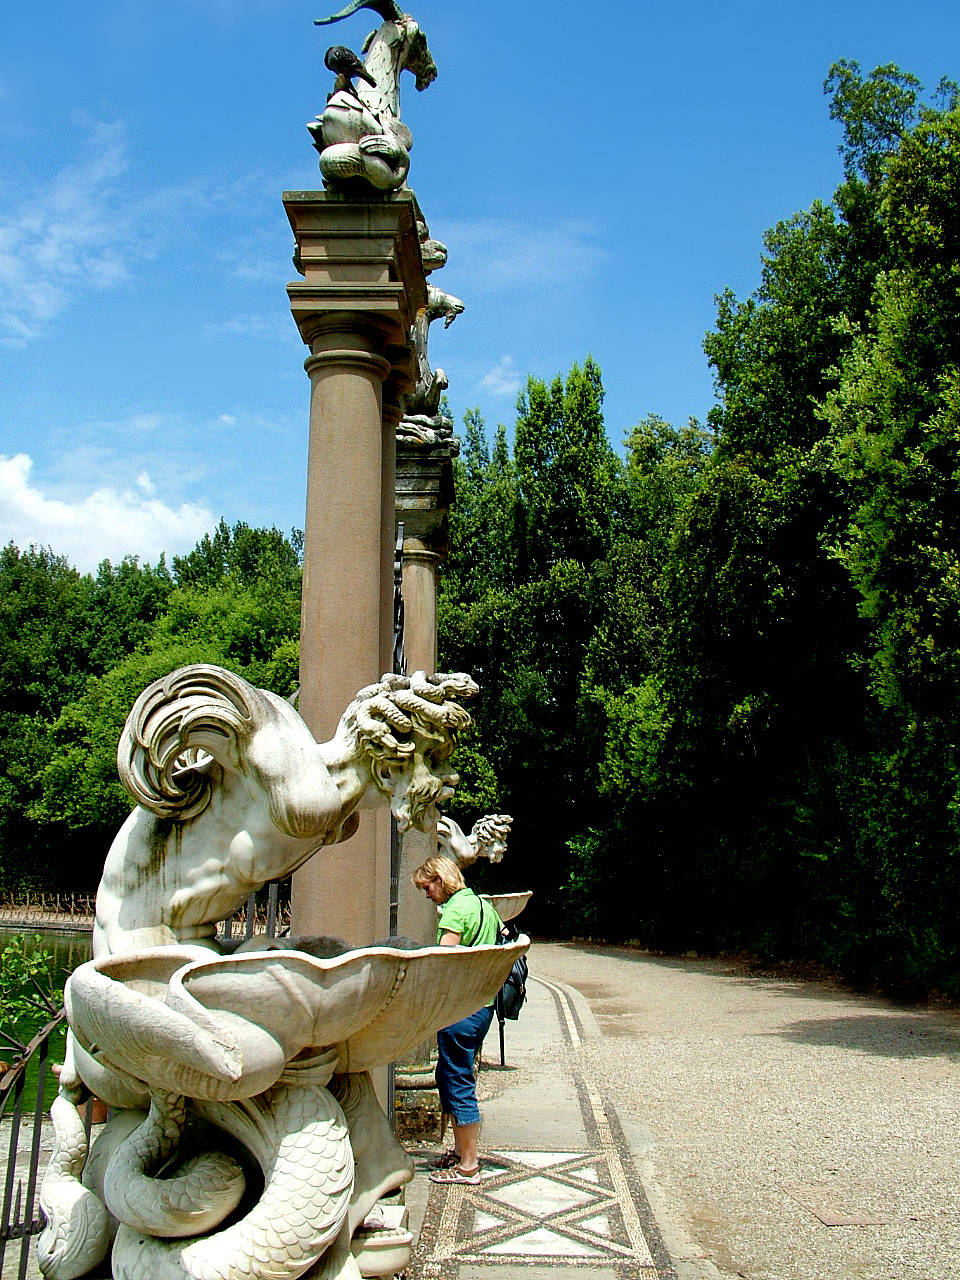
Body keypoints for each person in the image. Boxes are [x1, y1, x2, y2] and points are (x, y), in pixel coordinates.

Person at [413, 854, 502, 1185]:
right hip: (482, 1005)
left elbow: (445, 958)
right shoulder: (483, 906)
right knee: (451, 1075)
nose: (426, 895)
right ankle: (460, 1149)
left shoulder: (455, 910)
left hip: (459, 1009)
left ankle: (468, 1165)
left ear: (440, 880)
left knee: (458, 1081)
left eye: (427, 887)